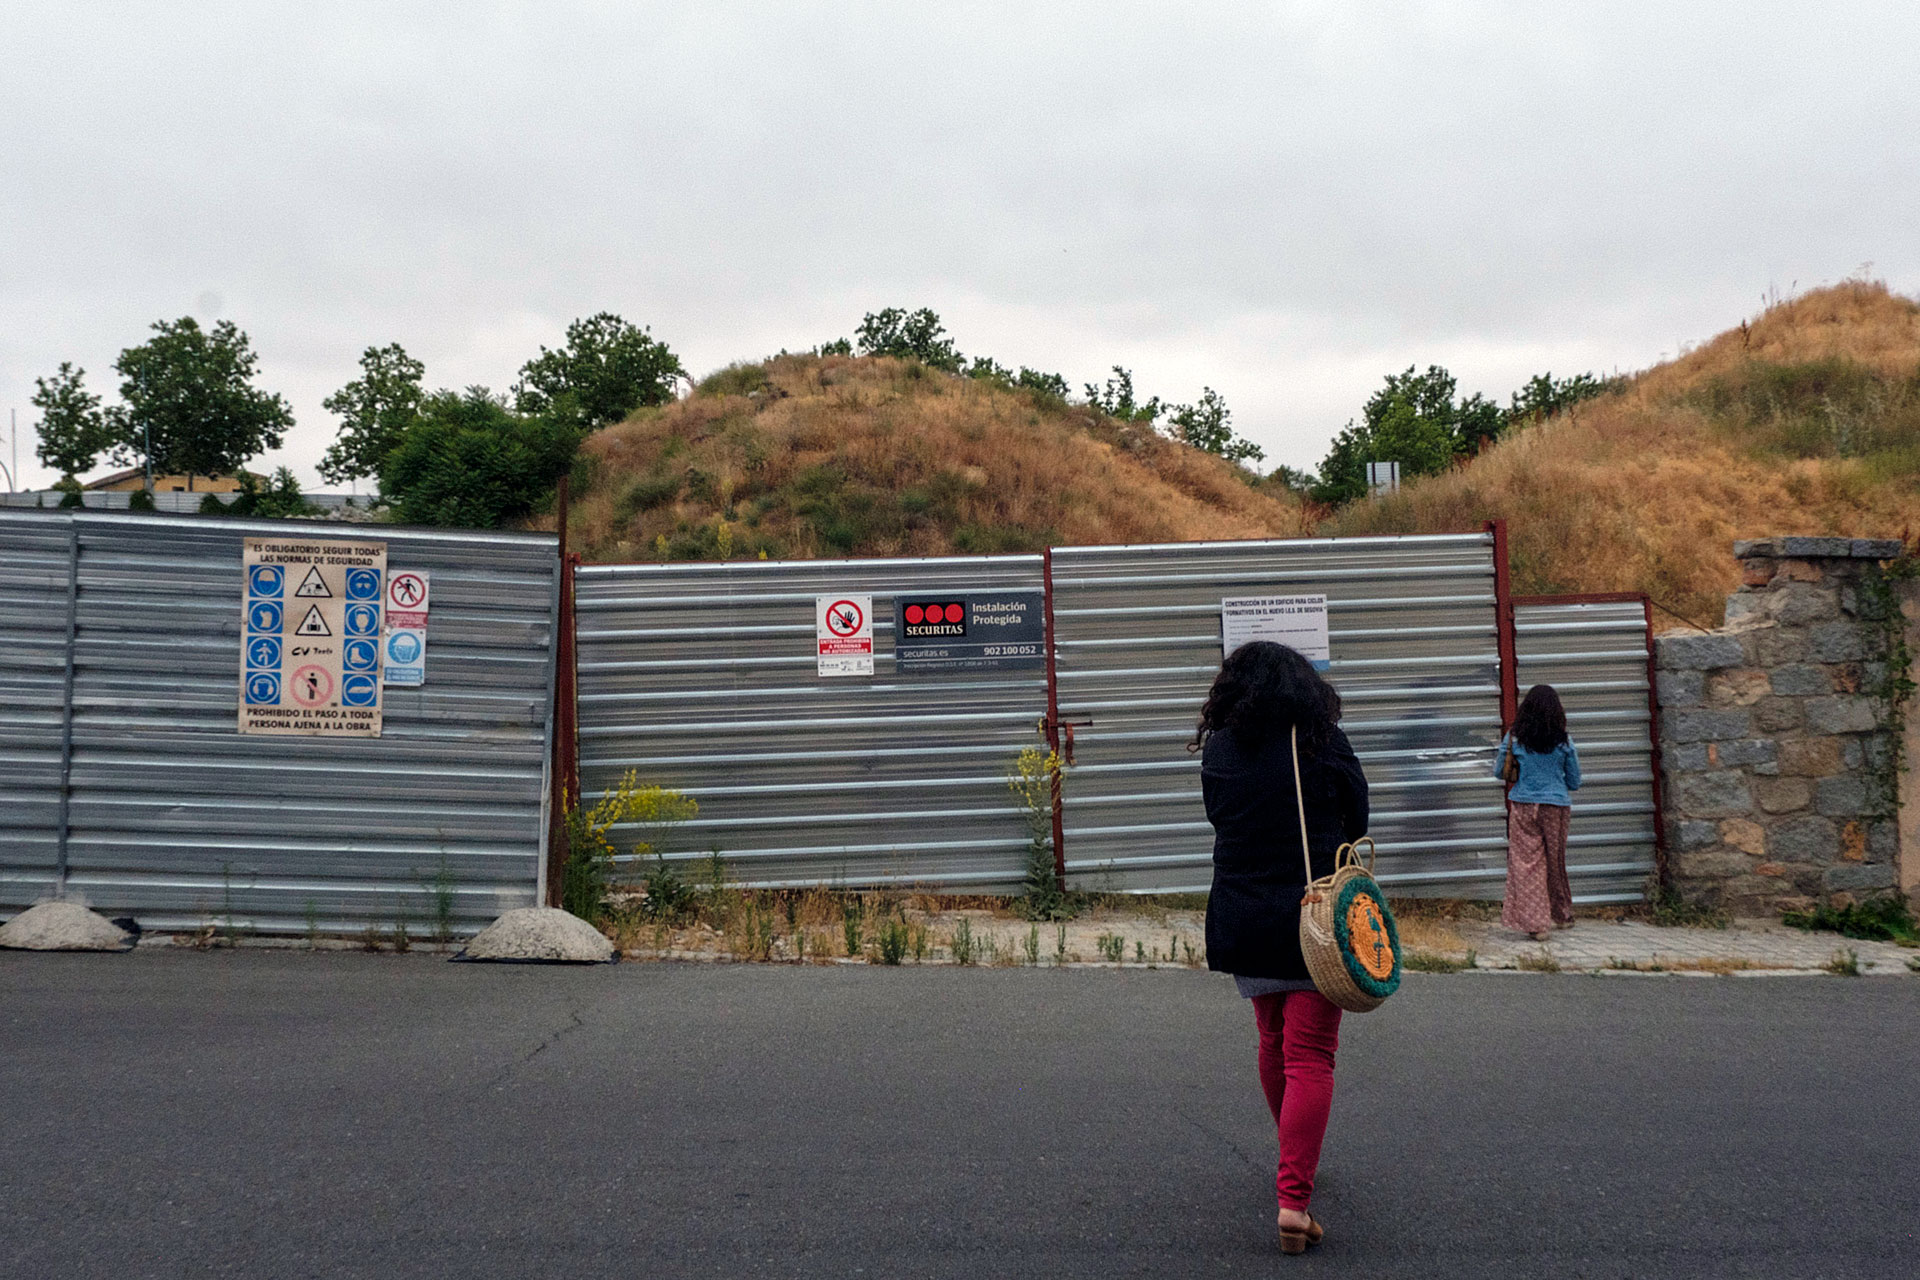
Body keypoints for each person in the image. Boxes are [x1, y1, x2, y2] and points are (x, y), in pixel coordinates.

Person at [1193, 640, 1368, 1255]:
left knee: (1273, 1041)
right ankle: (1293, 1203)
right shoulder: (1317, 740)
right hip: (1312, 914)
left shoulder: (1217, 750)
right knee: (1312, 1056)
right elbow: (1359, 811)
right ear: (1300, 688)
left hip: (1243, 917)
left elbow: (1220, 817)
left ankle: (1295, 1155)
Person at [1494, 684, 1582, 940]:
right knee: (1555, 861)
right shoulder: (1564, 741)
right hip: (1556, 807)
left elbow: (1500, 772)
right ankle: (1562, 915)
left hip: (1522, 804)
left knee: (1526, 864)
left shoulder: (1514, 738)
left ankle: (1536, 924)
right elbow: (1575, 781)